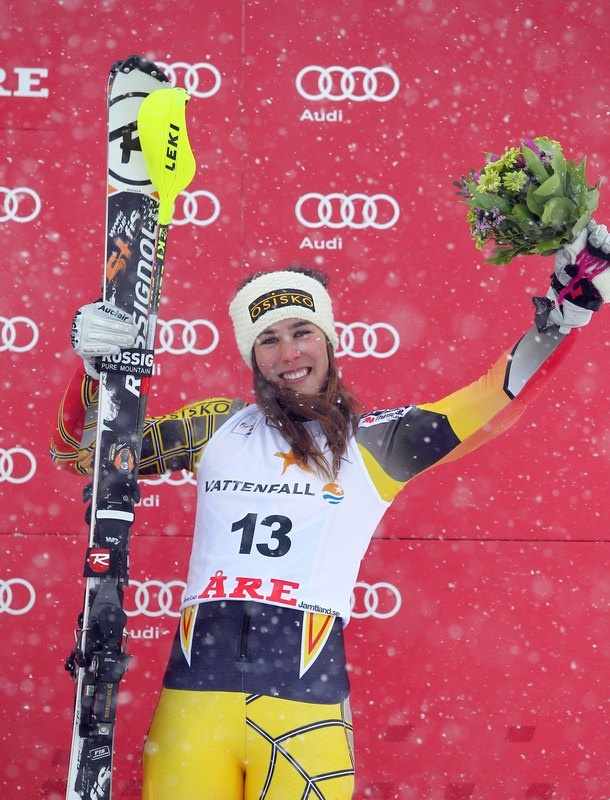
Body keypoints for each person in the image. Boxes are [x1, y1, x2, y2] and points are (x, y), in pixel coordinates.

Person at [52, 222, 610, 800]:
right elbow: (79, 455)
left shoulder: (379, 443)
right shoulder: (213, 427)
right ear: (250, 353)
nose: (289, 353)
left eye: (302, 331)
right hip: (193, 713)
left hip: (302, 718)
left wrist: (564, 315)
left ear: (329, 338)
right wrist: (93, 375)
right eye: (267, 338)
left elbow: (494, 400)